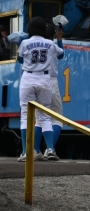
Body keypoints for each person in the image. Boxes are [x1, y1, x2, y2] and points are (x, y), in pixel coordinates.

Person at [17, 17, 63, 162]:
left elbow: (20, 60)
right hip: (44, 78)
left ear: (30, 29)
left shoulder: (25, 42)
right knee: (45, 115)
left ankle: (26, 152)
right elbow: (61, 54)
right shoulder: (50, 43)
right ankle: (50, 149)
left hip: (28, 77)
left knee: (26, 115)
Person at [33, 23, 64, 155]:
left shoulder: (34, 45)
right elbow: (61, 55)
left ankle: (35, 151)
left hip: (36, 81)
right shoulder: (52, 45)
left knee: (39, 120)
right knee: (57, 118)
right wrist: (60, 39)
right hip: (50, 81)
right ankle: (50, 149)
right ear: (53, 34)